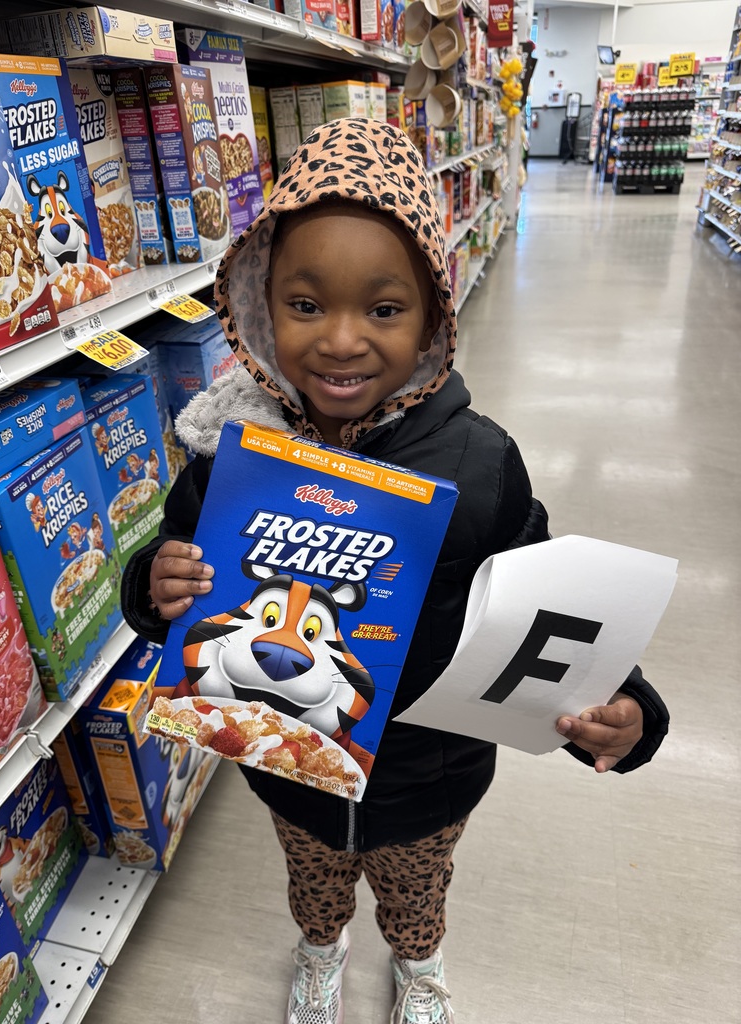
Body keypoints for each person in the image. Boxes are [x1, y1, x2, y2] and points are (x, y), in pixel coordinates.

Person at [121, 118, 669, 1024]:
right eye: (306, 305)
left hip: (429, 773)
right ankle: (321, 951)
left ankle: (419, 968)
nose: (341, 341)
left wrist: (624, 705)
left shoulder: (478, 463)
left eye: (382, 308)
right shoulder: (230, 453)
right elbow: (177, 566)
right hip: (289, 761)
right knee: (313, 881)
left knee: (418, 894)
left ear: (431, 321)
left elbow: (551, 603)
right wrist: (154, 584)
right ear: (260, 308)